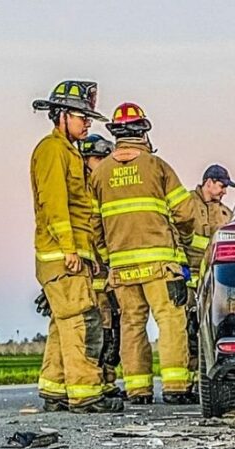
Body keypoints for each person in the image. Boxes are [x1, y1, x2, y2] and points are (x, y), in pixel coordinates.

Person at [88, 102, 198, 405]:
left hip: (121, 267)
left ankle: (138, 390)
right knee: (170, 321)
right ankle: (176, 387)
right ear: (143, 132)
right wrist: (183, 241)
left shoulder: (100, 175)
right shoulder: (157, 167)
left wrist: (107, 257)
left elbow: (93, 225)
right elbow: (186, 213)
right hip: (160, 264)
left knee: (131, 324)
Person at [29, 81, 123, 413]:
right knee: (81, 321)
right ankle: (85, 395)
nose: (87, 124)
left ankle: (54, 391)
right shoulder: (52, 150)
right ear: (63, 116)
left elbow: (80, 211)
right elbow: (54, 204)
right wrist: (69, 248)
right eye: (82, 117)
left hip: (73, 255)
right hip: (61, 255)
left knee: (63, 324)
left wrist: (91, 257)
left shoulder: (68, 150)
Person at [79, 134, 123, 398]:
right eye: (94, 159)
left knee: (112, 326)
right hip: (94, 270)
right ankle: (99, 381)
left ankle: (107, 380)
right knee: (100, 327)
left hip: (107, 269)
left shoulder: (104, 186)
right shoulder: (86, 188)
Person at [184, 164, 235, 387]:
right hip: (187, 277)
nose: (225, 191)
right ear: (209, 182)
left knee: (206, 329)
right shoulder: (185, 205)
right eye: (222, 186)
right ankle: (186, 380)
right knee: (186, 330)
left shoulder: (226, 214)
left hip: (213, 281)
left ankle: (203, 380)